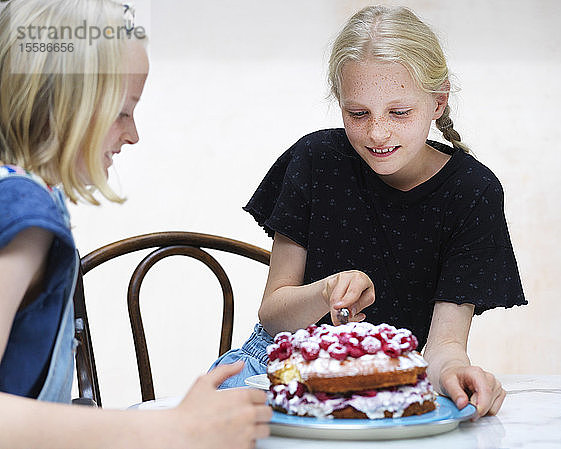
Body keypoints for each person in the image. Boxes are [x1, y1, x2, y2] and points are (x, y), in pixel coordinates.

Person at [211, 5, 526, 419]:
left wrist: (456, 372)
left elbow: (444, 347)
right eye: (357, 113)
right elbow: (273, 315)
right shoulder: (316, 159)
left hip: (386, 391)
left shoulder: (473, 192)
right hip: (271, 373)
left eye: (399, 112)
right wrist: (325, 293)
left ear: (438, 102)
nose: (377, 133)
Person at [0, 1, 270, 448]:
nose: (133, 133)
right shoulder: (23, 210)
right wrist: (170, 428)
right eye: (123, 110)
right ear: (63, 105)